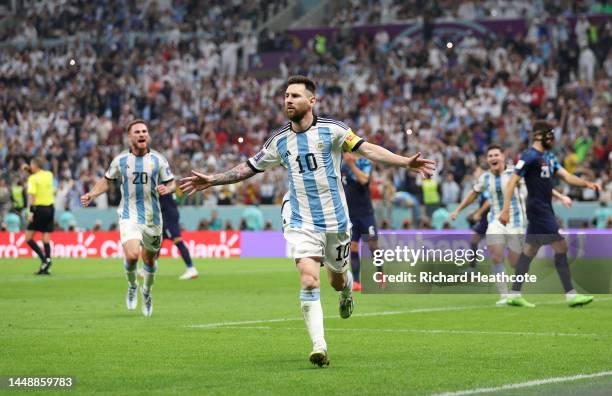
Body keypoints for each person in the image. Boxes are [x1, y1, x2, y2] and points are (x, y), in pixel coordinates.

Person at [180, 75, 436, 367]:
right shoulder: (279, 141)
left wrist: (404, 161)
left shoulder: (334, 131)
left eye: (295, 96)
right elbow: (249, 167)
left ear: (311, 101)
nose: (288, 100)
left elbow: (367, 148)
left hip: (336, 220)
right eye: (286, 96)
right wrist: (212, 180)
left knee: (337, 280)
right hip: (300, 219)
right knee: (308, 278)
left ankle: (346, 288)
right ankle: (319, 345)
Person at [499, 121, 600, 308]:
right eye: (549, 135)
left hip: (545, 208)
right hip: (538, 209)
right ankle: (571, 295)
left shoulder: (549, 157)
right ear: (539, 136)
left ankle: (514, 294)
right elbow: (512, 181)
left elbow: (567, 176)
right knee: (561, 247)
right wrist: (505, 209)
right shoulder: (529, 157)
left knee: (529, 251)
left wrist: (587, 184)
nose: (553, 139)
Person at [81, 119, 175, 316]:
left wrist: (168, 188)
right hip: (128, 215)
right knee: (132, 256)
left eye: (144, 131)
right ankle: (132, 286)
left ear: (148, 136)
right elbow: (107, 181)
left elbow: (172, 182)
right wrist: (92, 194)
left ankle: (146, 292)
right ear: (130, 137)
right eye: (137, 132)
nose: (142, 134)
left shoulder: (158, 160)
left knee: (149, 261)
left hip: (153, 219)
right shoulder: (120, 161)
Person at [341, 152, 379, 292]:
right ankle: (356, 281)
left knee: (373, 246)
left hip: (365, 214)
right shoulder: (342, 167)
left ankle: (380, 274)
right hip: (351, 215)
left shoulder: (364, 163)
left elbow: (364, 180)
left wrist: (351, 164)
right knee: (353, 247)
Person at [23, 158, 55, 275]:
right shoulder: (49, 174)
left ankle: (44, 260)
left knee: (28, 237)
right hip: (50, 209)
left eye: (31, 164)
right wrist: (29, 169)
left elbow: (32, 197)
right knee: (45, 239)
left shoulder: (32, 178)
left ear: (34, 166)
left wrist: (30, 213)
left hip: (39, 209)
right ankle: (47, 262)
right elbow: (38, 175)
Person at [159, 193, 198, 280]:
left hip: (168, 217)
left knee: (178, 241)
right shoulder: (169, 185)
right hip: (169, 214)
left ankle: (191, 269)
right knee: (158, 242)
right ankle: (148, 268)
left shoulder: (162, 185)